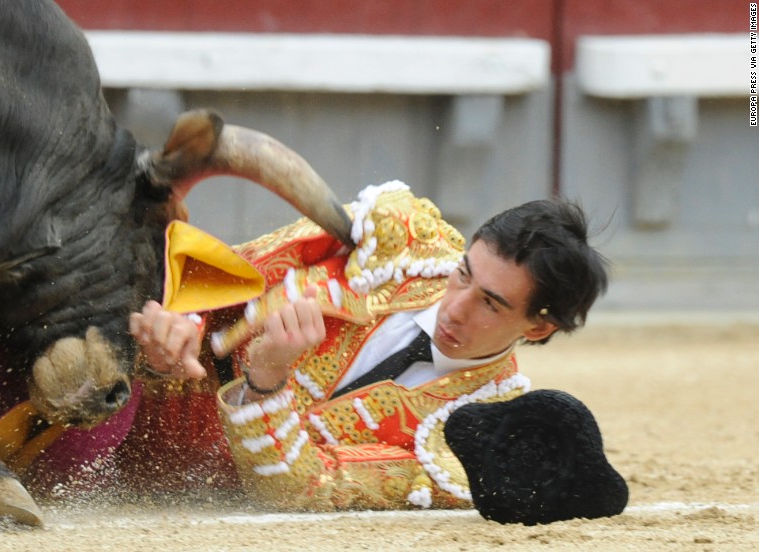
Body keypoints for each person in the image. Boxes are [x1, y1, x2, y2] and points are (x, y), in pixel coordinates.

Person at [130, 180, 616, 513]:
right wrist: (180, 321)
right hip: (133, 370)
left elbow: (300, 489)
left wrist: (265, 382)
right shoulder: (399, 241)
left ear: (535, 329)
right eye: (463, 273)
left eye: (490, 304)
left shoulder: (475, 433)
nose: (454, 308)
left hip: (163, 476)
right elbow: (237, 267)